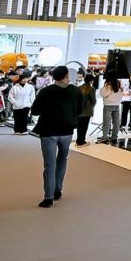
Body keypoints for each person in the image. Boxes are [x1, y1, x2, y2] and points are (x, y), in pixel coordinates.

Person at [31, 66, 81, 208]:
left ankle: (48, 197)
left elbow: (35, 111)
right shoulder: (75, 91)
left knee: (49, 164)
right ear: (67, 76)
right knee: (62, 159)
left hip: (48, 132)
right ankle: (57, 189)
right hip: (67, 131)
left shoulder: (45, 91)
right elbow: (80, 110)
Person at [98, 74, 125, 145]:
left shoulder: (108, 86)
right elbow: (121, 94)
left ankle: (105, 138)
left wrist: (105, 86)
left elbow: (103, 94)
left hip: (108, 105)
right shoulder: (119, 85)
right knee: (116, 122)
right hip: (116, 105)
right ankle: (114, 138)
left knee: (106, 122)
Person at [76, 73, 96, 146]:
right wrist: (93, 105)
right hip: (87, 110)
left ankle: (78, 140)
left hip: (79, 110)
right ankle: (81, 141)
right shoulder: (92, 89)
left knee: (79, 126)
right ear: (91, 81)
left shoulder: (79, 87)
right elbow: (93, 100)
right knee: (84, 126)